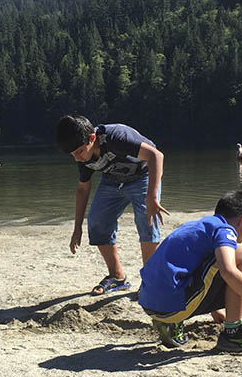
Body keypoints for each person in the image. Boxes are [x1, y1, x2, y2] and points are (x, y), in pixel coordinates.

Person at [139, 191, 242, 351]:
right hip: (172, 307)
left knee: (219, 256)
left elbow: (193, 265)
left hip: (149, 302)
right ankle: (234, 332)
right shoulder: (225, 230)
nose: (241, 239)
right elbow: (229, 272)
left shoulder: (198, 226)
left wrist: (213, 308)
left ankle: (170, 325)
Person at [55, 115, 168, 295]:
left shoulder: (116, 137)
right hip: (113, 181)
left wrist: (152, 198)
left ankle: (150, 281)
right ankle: (117, 277)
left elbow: (156, 155)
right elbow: (83, 189)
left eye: (79, 152)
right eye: (73, 155)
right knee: (97, 221)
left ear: (92, 138)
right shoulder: (84, 159)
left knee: (147, 221)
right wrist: (77, 227)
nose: (77, 158)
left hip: (143, 176)